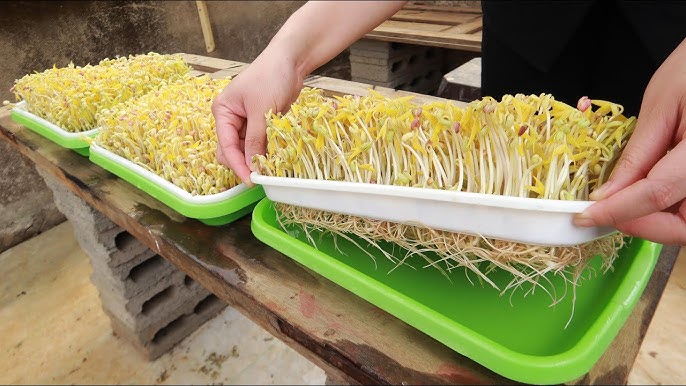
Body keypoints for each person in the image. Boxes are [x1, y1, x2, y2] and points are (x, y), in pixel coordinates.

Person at [211, 1, 686, 245]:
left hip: (666, 54)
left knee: (642, 192)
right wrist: (288, 54)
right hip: (529, 35)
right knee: (501, 183)